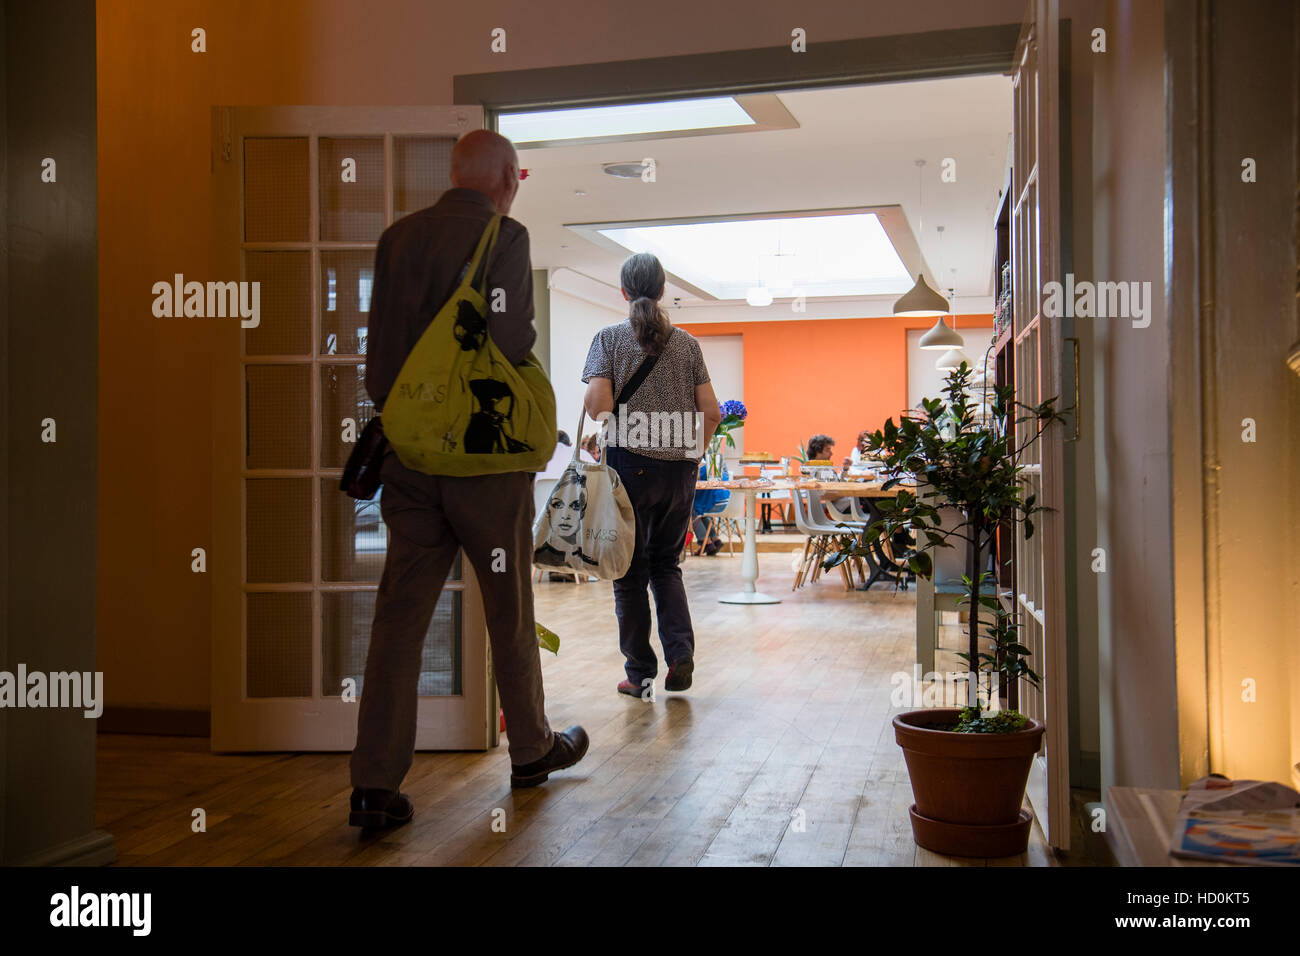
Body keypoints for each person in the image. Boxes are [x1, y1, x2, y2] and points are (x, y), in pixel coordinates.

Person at [349, 129, 587, 830]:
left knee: (398, 620)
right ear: (509, 179)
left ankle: (373, 785)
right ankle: (532, 753)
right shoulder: (503, 238)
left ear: (454, 174)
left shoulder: (396, 239)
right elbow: (510, 342)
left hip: (412, 458)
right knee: (508, 608)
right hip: (485, 461)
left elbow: (380, 358)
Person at [582, 252, 721, 698]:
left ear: (623, 292)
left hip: (629, 467)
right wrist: (691, 453)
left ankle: (639, 673)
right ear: (663, 291)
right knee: (667, 567)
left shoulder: (608, 339)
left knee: (629, 572)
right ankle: (680, 656)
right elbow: (712, 413)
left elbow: (599, 405)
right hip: (679, 471)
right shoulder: (687, 344)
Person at [533, 470, 599, 567]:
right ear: (548, 508)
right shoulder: (538, 555)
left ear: (583, 512)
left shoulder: (590, 559)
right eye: (558, 504)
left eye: (576, 506)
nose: (566, 515)